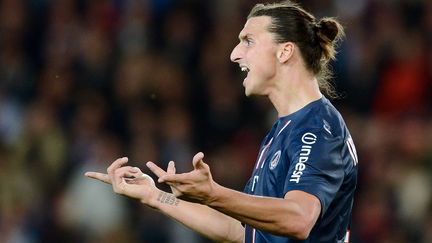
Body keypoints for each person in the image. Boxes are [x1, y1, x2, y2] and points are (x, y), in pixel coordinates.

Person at [85, 1, 358, 242]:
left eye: (248, 41)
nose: (235, 54)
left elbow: (298, 219)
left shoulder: (317, 128)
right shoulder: (282, 130)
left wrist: (213, 193)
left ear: (285, 52)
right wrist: (155, 196)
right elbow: (240, 232)